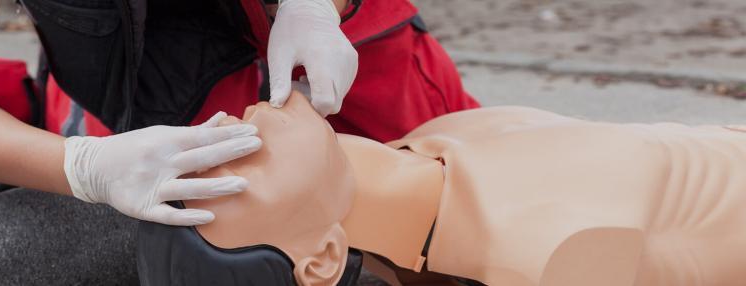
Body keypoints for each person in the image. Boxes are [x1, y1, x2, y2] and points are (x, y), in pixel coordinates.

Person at [0, 0, 478, 226]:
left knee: (456, 199)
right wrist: (82, 164)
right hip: (133, 94)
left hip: (350, 60)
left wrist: (314, 7)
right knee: (228, 219)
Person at [141, 90, 746, 285]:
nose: (220, 134)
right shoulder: (542, 252)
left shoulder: (433, 145)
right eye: (228, 180)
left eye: (194, 155)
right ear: (323, 259)